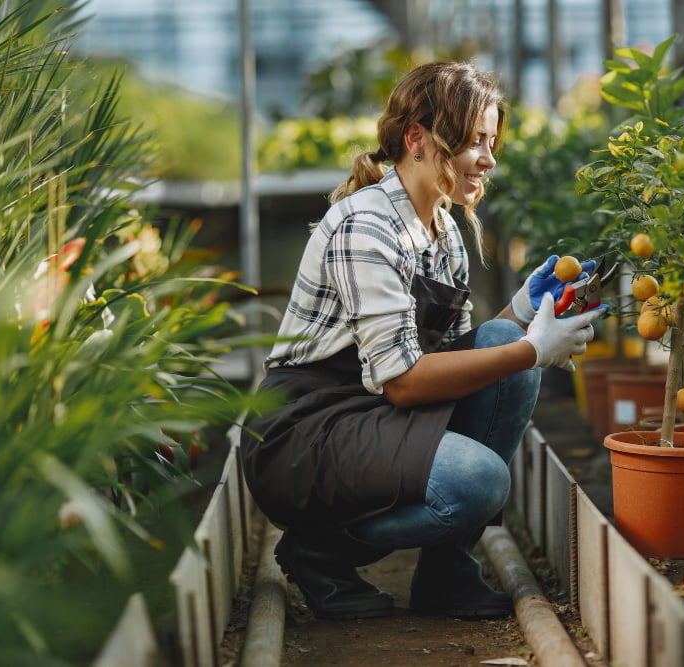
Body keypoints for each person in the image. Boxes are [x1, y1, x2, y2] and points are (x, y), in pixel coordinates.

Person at [240, 61, 605, 622]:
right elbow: (407, 384)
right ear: (417, 140)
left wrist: (525, 314)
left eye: (491, 141)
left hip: (373, 415)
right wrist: (535, 348)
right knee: (479, 479)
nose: (489, 157)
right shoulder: (366, 226)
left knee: (503, 338)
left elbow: (455, 362)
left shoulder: (443, 228)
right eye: (473, 141)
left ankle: (446, 573)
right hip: (308, 431)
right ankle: (320, 551)